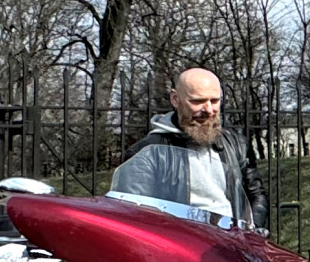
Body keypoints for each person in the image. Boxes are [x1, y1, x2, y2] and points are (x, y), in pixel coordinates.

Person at [111, 67, 268, 226]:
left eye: (214, 101)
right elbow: (137, 216)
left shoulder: (236, 143)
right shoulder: (146, 153)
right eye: (197, 101)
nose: (208, 110)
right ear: (175, 99)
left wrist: (251, 232)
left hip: (232, 241)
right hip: (181, 242)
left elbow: (256, 195)